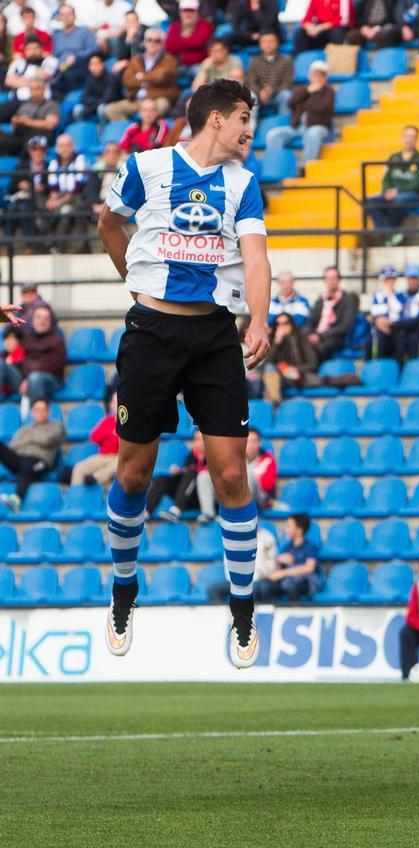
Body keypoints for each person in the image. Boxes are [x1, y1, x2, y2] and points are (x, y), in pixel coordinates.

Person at [97, 79, 271, 668]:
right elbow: (107, 223)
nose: (251, 129)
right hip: (151, 333)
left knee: (230, 473)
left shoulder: (244, 184)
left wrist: (260, 319)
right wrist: (134, 277)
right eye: (245, 117)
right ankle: (124, 590)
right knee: (133, 474)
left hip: (214, 337)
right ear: (216, 118)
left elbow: (256, 257)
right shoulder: (146, 167)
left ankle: (243, 612)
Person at [265, 59, 334, 169]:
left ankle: (308, 168)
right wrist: (308, 91)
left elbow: (322, 108)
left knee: (313, 134)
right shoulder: (303, 89)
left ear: (325, 78)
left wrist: (309, 98)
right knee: (273, 135)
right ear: (309, 75)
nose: (316, 77)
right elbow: (291, 103)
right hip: (297, 127)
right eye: (314, 74)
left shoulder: (329, 92)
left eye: (320, 75)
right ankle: (276, 167)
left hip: (318, 126)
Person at [0, 396, 64, 509]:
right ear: (32, 413)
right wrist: (34, 440)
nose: (39, 413)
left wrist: (27, 441)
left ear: (48, 412)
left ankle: (16, 500)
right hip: (20, 460)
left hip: (40, 461)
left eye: (42, 410)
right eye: (36, 410)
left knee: (28, 464)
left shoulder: (56, 427)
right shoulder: (25, 429)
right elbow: (13, 445)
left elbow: (47, 440)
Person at [103, 27, 178, 122]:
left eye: (157, 41)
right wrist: (151, 78)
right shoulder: (136, 59)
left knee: (162, 106)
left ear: (162, 43)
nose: (152, 43)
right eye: (149, 40)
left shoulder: (169, 59)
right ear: (144, 42)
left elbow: (162, 78)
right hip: (137, 100)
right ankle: (133, 130)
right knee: (110, 110)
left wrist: (140, 77)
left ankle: (150, 131)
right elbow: (127, 80)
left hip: (157, 98)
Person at [369, 124, 419, 243]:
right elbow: (386, 178)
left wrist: (398, 191)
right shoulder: (393, 157)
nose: (409, 139)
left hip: (413, 195)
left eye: (412, 137)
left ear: (416, 140)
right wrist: (386, 191)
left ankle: (386, 233)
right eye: (406, 136)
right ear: (402, 138)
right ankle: (390, 234)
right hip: (393, 193)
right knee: (369, 201)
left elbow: (417, 183)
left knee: (399, 200)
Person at [254, 514, 321, 602]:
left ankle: (296, 611)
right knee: (261, 586)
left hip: (304, 581)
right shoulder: (287, 547)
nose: (285, 530)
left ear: (299, 530)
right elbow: (278, 569)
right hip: (285, 581)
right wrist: (278, 560)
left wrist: (284, 573)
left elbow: (309, 568)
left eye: (289, 526)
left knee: (292, 585)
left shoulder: (310, 547)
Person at [302, 265, 359, 361]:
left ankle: (311, 372)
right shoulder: (320, 300)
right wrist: (309, 334)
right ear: (324, 280)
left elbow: (343, 326)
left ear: (339, 280)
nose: (331, 281)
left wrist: (320, 336)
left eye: (334, 278)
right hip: (316, 335)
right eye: (328, 278)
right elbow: (310, 321)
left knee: (319, 348)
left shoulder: (347, 300)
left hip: (335, 338)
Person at [45, 132, 89, 251]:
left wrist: (59, 202)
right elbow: (53, 188)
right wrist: (53, 200)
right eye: (61, 146)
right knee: (44, 209)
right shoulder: (54, 163)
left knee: (66, 211)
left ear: (72, 146)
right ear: (57, 148)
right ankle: (47, 244)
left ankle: (58, 246)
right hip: (61, 196)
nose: (64, 149)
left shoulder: (80, 160)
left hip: (77, 197)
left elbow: (78, 187)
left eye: (67, 145)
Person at [261, 311, 318, 404]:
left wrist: (294, 368)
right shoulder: (272, 339)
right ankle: (274, 402)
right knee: (269, 370)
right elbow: (268, 362)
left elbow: (312, 363)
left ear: (291, 324)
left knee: (269, 382)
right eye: (278, 324)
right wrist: (276, 343)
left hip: (295, 375)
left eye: (285, 323)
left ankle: (273, 407)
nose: (281, 326)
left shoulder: (301, 339)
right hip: (277, 375)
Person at [12, 304, 64, 400]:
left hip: (49, 380)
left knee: (35, 378)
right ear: (33, 320)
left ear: (50, 322)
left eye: (46, 318)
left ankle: (34, 413)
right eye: (38, 317)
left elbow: (52, 367)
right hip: (25, 378)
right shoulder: (27, 338)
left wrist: (28, 378)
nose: (42, 321)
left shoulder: (57, 341)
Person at [0, 75, 58, 155]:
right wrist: (15, 120)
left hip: (37, 136)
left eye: (37, 89)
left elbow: (50, 125)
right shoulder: (26, 105)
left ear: (44, 89)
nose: (34, 92)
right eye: (32, 89)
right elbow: (16, 121)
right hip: (19, 136)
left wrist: (28, 122)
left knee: (31, 145)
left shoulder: (51, 105)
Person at [51, 4, 97, 92]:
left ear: (74, 16)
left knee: (68, 75)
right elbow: (53, 54)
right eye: (63, 15)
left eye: (68, 14)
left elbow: (94, 49)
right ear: (60, 17)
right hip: (60, 68)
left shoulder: (84, 32)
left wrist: (76, 57)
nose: (66, 17)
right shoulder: (56, 35)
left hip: (80, 66)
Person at [245, 30, 293, 114]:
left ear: (277, 43)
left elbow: (287, 83)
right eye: (264, 42)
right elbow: (251, 82)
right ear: (260, 45)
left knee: (286, 95)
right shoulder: (254, 61)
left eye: (271, 41)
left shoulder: (286, 61)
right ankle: (250, 126)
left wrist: (272, 91)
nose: (268, 44)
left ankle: (283, 124)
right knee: (250, 96)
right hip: (259, 94)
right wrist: (260, 91)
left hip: (278, 94)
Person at [164, 0, 214, 67]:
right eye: (185, 11)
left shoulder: (205, 25)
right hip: (178, 65)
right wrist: (190, 43)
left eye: (191, 11)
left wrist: (179, 41)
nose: (188, 14)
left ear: (197, 12)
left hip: (199, 65)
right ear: (180, 12)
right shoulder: (174, 26)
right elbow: (169, 45)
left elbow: (199, 42)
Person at [78, 51, 121, 121]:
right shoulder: (89, 78)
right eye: (91, 64)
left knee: (101, 109)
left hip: (110, 105)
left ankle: (101, 130)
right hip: (95, 105)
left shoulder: (111, 78)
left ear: (102, 64)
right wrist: (91, 103)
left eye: (96, 64)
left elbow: (106, 99)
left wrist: (90, 106)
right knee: (77, 109)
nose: (94, 67)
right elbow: (85, 97)